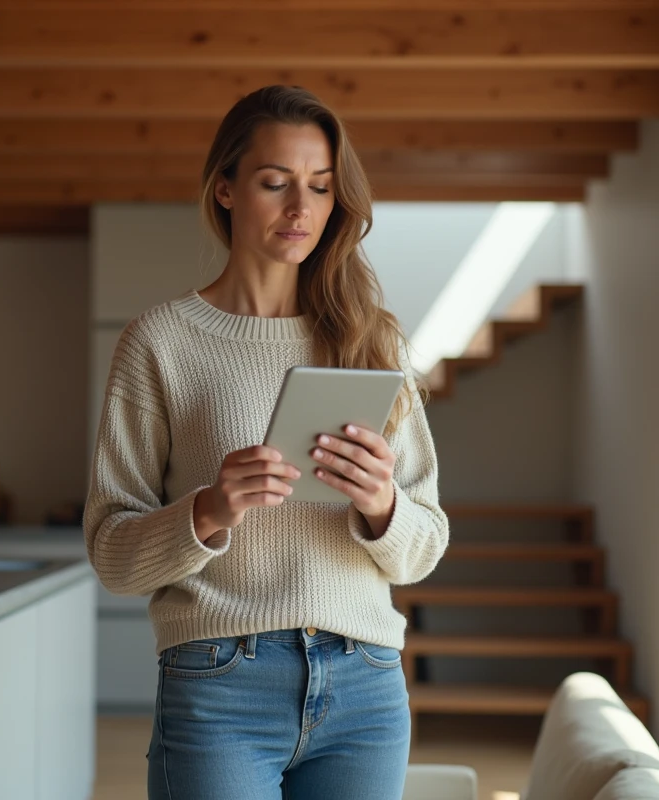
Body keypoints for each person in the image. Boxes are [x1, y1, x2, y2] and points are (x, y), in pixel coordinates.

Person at [83, 84, 449, 800]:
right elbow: (111, 553)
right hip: (219, 684)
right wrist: (209, 511)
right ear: (224, 189)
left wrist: (381, 505)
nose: (300, 209)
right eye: (275, 182)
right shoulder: (161, 342)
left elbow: (425, 544)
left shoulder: (372, 340)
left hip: (365, 686)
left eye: (319, 187)